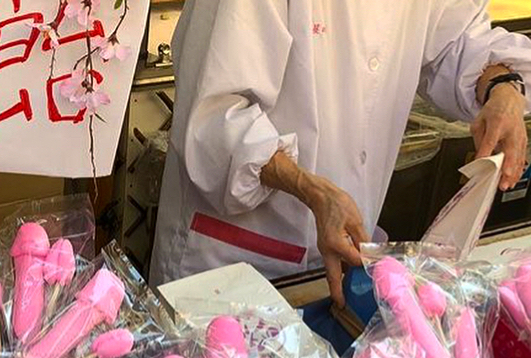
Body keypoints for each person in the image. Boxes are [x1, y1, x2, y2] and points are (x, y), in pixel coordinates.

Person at [151, 1, 531, 304]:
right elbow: (216, 117)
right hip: (234, 262)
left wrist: (501, 87)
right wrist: (312, 190)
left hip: (341, 260)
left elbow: (458, 38)